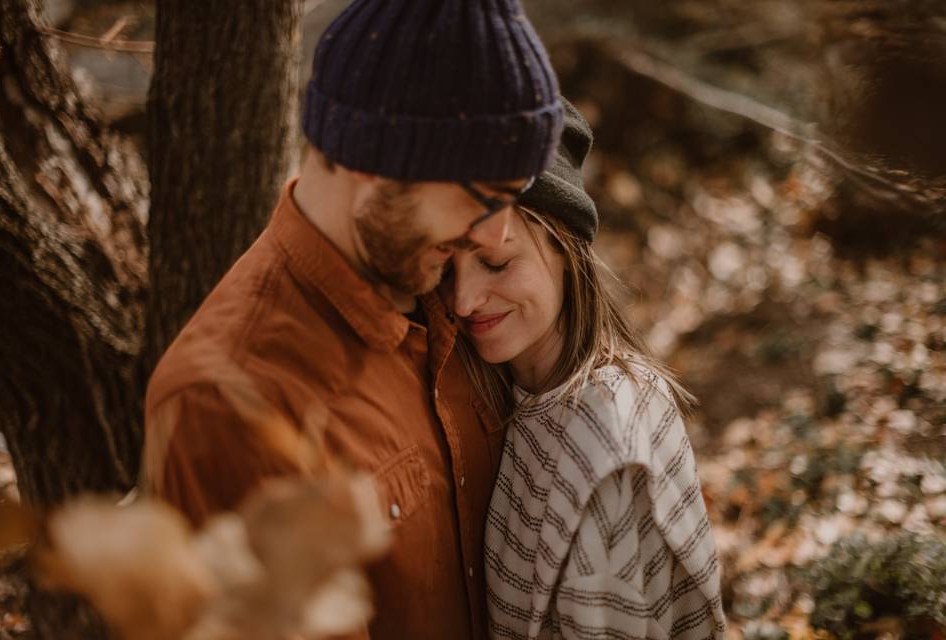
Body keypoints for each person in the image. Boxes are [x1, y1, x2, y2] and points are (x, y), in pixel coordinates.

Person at [141, 1, 563, 639]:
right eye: (482, 198)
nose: (498, 234)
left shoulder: (448, 287)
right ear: (374, 164)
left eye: (512, 198)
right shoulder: (230, 406)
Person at [443, 99, 727, 639]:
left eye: (497, 263)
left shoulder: (605, 431)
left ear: (564, 246)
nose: (463, 301)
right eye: (446, 268)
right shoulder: (511, 390)